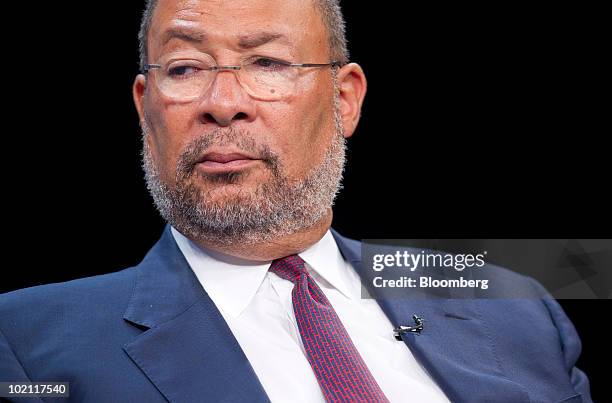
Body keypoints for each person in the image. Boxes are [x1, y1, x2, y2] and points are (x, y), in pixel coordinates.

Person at [0, 0, 592, 402]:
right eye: (184, 68)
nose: (224, 102)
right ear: (144, 107)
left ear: (345, 100)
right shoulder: (24, 342)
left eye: (268, 63)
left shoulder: (516, 305)